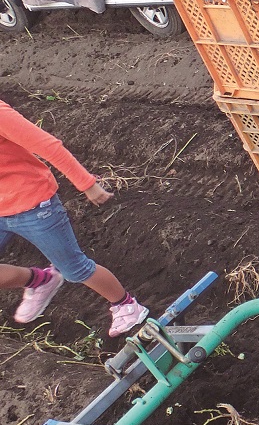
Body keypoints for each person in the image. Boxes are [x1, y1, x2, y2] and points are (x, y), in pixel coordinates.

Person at [0, 98, 148, 337]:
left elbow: (47, 146)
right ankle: (40, 281)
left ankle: (127, 305)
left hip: (33, 205)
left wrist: (87, 184)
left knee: (74, 269)